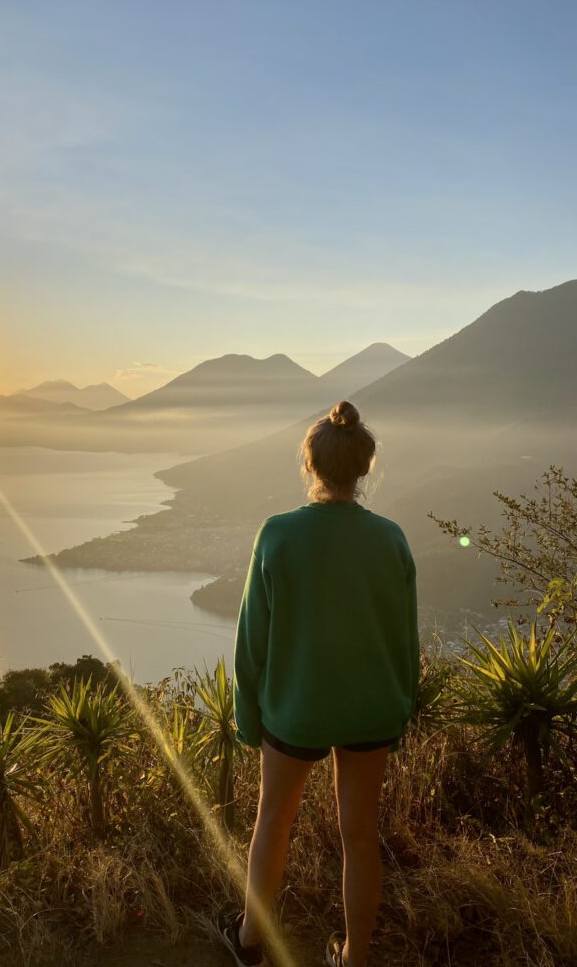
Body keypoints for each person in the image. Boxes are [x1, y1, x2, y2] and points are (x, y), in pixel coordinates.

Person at [217, 400, 420, 967]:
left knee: (272, 821)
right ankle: (354, 957)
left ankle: (251, 940)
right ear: (365, 467)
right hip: (373, 709)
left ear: (311, 465)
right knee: (360, 835)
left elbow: (252, 639)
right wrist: (399, 712)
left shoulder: (278, 535)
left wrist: (249, 718)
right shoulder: (391, 539)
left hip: (294, 712)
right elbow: (406, 639)